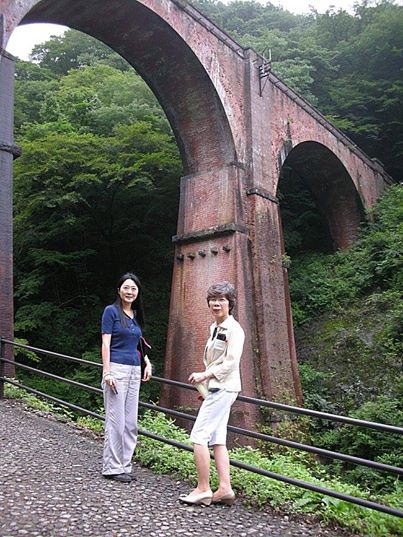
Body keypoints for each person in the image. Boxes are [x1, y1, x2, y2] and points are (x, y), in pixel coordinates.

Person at [179, 282, 245, 506]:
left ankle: (203, 488)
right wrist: (207, 385)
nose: (216, 304)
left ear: (230, 303)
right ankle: (225, 488)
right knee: (217, 439)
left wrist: (205, 375)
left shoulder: (234, 329)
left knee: (199, 436)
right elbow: (216, 359)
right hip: (217, 388)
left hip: (224, 387)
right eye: (213, 300)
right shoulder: (214, 327)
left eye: (222, 300)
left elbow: (231, 363)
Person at [101, 272, 152, 482]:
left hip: (134, 370)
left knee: (130, 422)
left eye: (133, 288)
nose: (130, 292)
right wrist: (107, 372)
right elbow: (105, 343)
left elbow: (138, 342)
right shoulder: (111, 311)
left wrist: (147, 362)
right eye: (126, 288)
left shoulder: (136, 314)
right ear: (119, 290)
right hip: (116, 369)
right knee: (116, 421)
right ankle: (112, 467)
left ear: (137, 292)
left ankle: (125, 465)